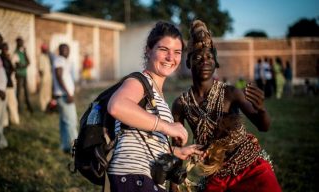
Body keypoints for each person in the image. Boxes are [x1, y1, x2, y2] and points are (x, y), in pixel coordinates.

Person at [172, 20, 281, 192]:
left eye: (209, 57)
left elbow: (263, 126)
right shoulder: (181, 104)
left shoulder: (231, 93)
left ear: (216, 62)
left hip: (250, 167)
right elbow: (177, 150)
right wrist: (173, 185)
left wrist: (261, 109)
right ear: (188, 63)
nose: (204, 61)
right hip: (216, 175)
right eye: (198, 57)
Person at [106, 21, 202, 192]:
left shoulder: (157, 93)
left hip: (144, 179)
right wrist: (168, 127)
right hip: (132, 177)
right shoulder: (138, 82)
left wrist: (177, 152)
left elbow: (140, 137)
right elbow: (117, 106)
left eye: (177, 52)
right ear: (148, 50)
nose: (170, 58)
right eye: (163, 49)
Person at [53, 43, 78, 153]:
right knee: (71, 122)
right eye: (63, 49)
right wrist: (68, 93)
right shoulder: (59, 60)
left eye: (67, 49)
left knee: (64, 122)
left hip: (63, 94)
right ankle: (76, 149)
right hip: (64, 95)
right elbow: (59, 76)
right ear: (59, 51)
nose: (65, 51)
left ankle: (65, 146)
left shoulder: (63, 61)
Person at [0, 42, 20, 125]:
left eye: (7, 49)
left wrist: (9, 60)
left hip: (9, 84)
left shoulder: (8, 58)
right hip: (2, 85)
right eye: (5, 49)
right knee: (3, 105)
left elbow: (12, 69)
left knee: (13, 103)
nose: (6, 50)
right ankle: (5, 123)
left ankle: (15, 121)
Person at [12, 37, 33, 113]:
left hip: (24, 74)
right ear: (17, 43)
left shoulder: (22, 52)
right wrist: (24, 65)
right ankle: (19, 109)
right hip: (19, 75)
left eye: (22, 42)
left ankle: (29, 107)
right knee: (19, 92)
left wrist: (25, 52)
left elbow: (28, 62)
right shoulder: (16, 53)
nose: (22, 44)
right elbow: (17, 65)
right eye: (21, 42)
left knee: (27, 92)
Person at [38, 43, 53, 112]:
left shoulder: (47, 56)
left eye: (46, 49)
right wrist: (42, 78)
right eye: (45, 49)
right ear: (42, 49)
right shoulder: (41, 56)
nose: (46, 50)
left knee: (48, 93)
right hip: (44, 78)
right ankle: (43, 108)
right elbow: (40, 70)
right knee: (43, 94)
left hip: (49, 78)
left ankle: (48, 107)